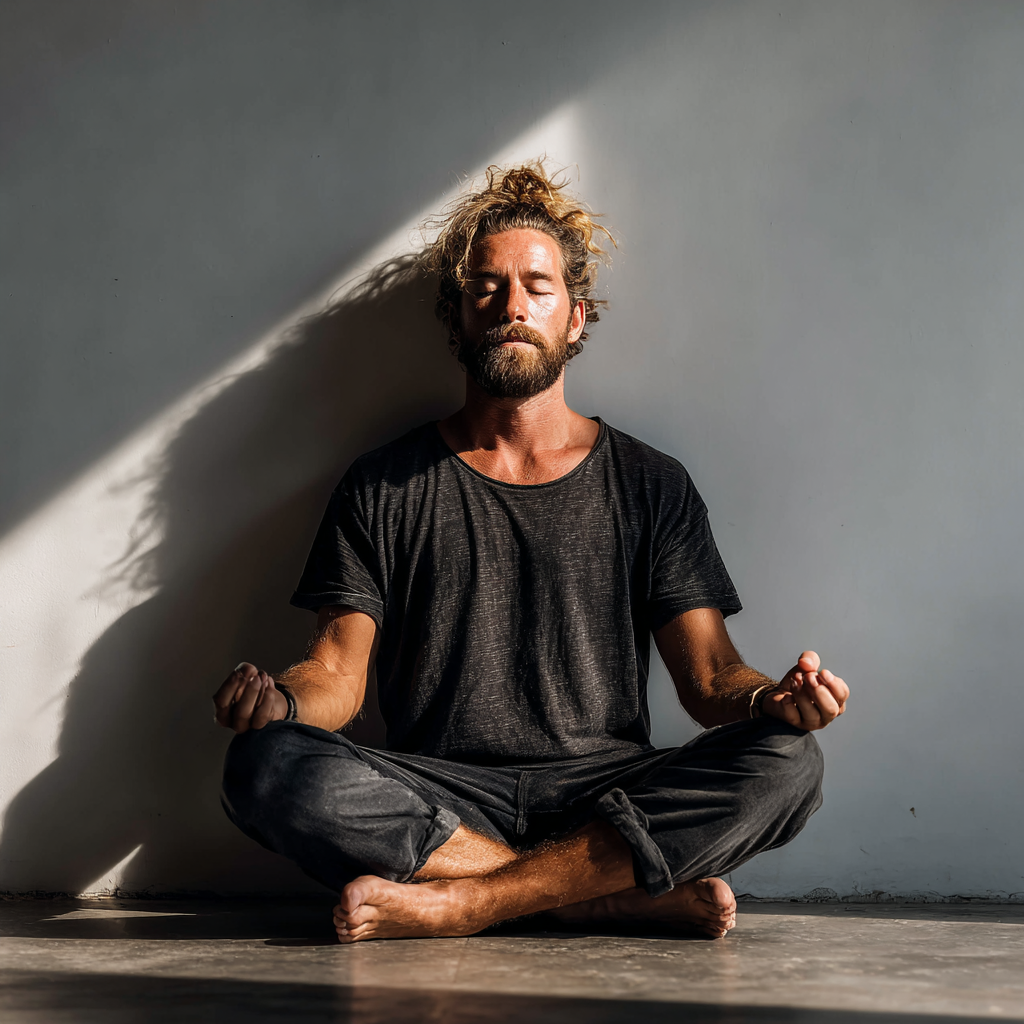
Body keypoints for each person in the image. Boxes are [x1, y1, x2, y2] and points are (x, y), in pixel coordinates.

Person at [214, 164, 848, 944]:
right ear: (458, 316)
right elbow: (337, 676)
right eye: (487, 288)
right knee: (264, 766)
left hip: (607, 789)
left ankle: (470, 902)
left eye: (537, 287)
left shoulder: (651, 483)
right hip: (442, 791)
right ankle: (594, 896)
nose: (513, 307)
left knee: (790, 763)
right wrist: (281, 702)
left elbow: (712, 678)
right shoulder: (383, 484)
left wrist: (770, 703)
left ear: (575, 317)